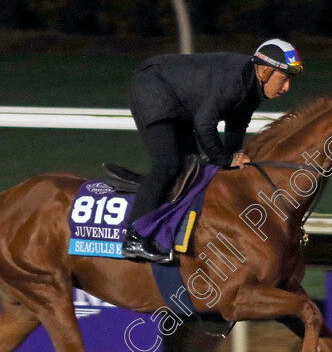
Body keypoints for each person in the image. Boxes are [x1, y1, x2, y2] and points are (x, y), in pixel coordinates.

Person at [121, 39, 302, 263]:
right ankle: (135, 238)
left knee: (192, 166)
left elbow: (236, 127)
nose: (286, 88)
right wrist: (225, 158)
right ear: (265, 71)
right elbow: (205, 124)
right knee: (169, 163)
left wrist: (232, 159)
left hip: (180, 98)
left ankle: (170, 231)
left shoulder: (253, 86)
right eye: (284, 79)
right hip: (152, 88)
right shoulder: (234, 82)